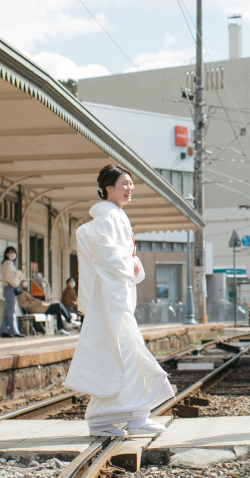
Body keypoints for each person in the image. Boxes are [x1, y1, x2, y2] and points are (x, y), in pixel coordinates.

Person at [65, 164, 174, 437]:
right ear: (108, 188)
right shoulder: (108, 217)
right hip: (112, 302)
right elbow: (106, 256)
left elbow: (114, 256)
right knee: (124, 357)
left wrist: (132, 264)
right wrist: (132, 265)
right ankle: (103, 419)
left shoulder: (115, 216)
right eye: (123, 183)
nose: (129, 188)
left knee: (130, 357)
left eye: (131, 183)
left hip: (118, 299)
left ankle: (137, 415)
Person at [0, 246, 26, 338]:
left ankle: (4, 330)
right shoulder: (7, 264)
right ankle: (14, 330)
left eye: (13, 252)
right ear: (6, 254)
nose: (12, 254)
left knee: (7, 310)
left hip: (9, 288)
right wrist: (19, 273)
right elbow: (10, 278)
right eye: (10, 252)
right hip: (9, 287)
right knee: (11, 310)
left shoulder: (10, 264)